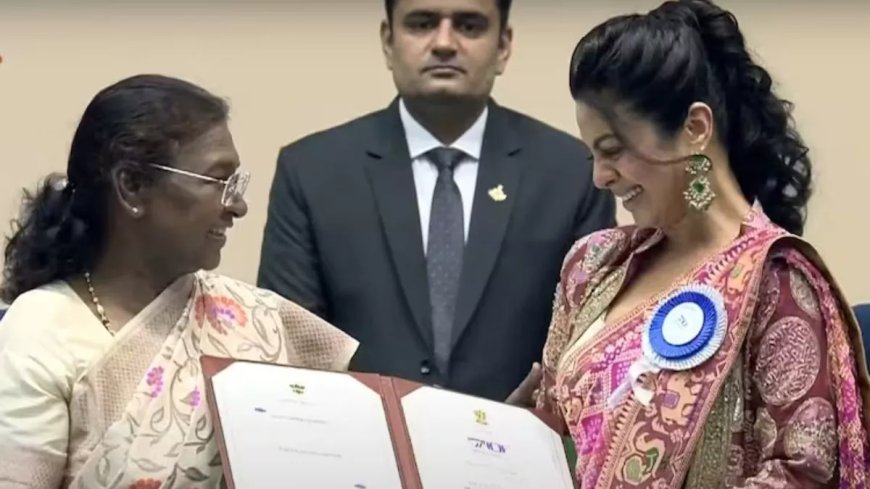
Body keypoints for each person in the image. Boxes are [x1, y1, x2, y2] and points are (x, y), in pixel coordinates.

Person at [511, 0, 870, 486]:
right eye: (592, 154)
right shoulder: (592, 266)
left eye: (613, 150)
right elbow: (552, 431)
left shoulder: (776, 279)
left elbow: (804, 471)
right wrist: (506, 439)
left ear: (695, 129)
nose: (599, 177)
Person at [0, 75, 357, 488]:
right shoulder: (43, 330)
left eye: (235, 183)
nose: (237, 206)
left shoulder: (248, 319)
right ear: (131, 186)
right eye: (217, 181)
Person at [257, 0, 615, 401]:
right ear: (388, 42)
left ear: (503, 46)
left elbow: (589, 348)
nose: (444, 43)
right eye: (422, 23)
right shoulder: (312, 170)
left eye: (469, 25)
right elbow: (291, 348)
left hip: (518, 452)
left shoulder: (573, 172)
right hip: (358, 452)